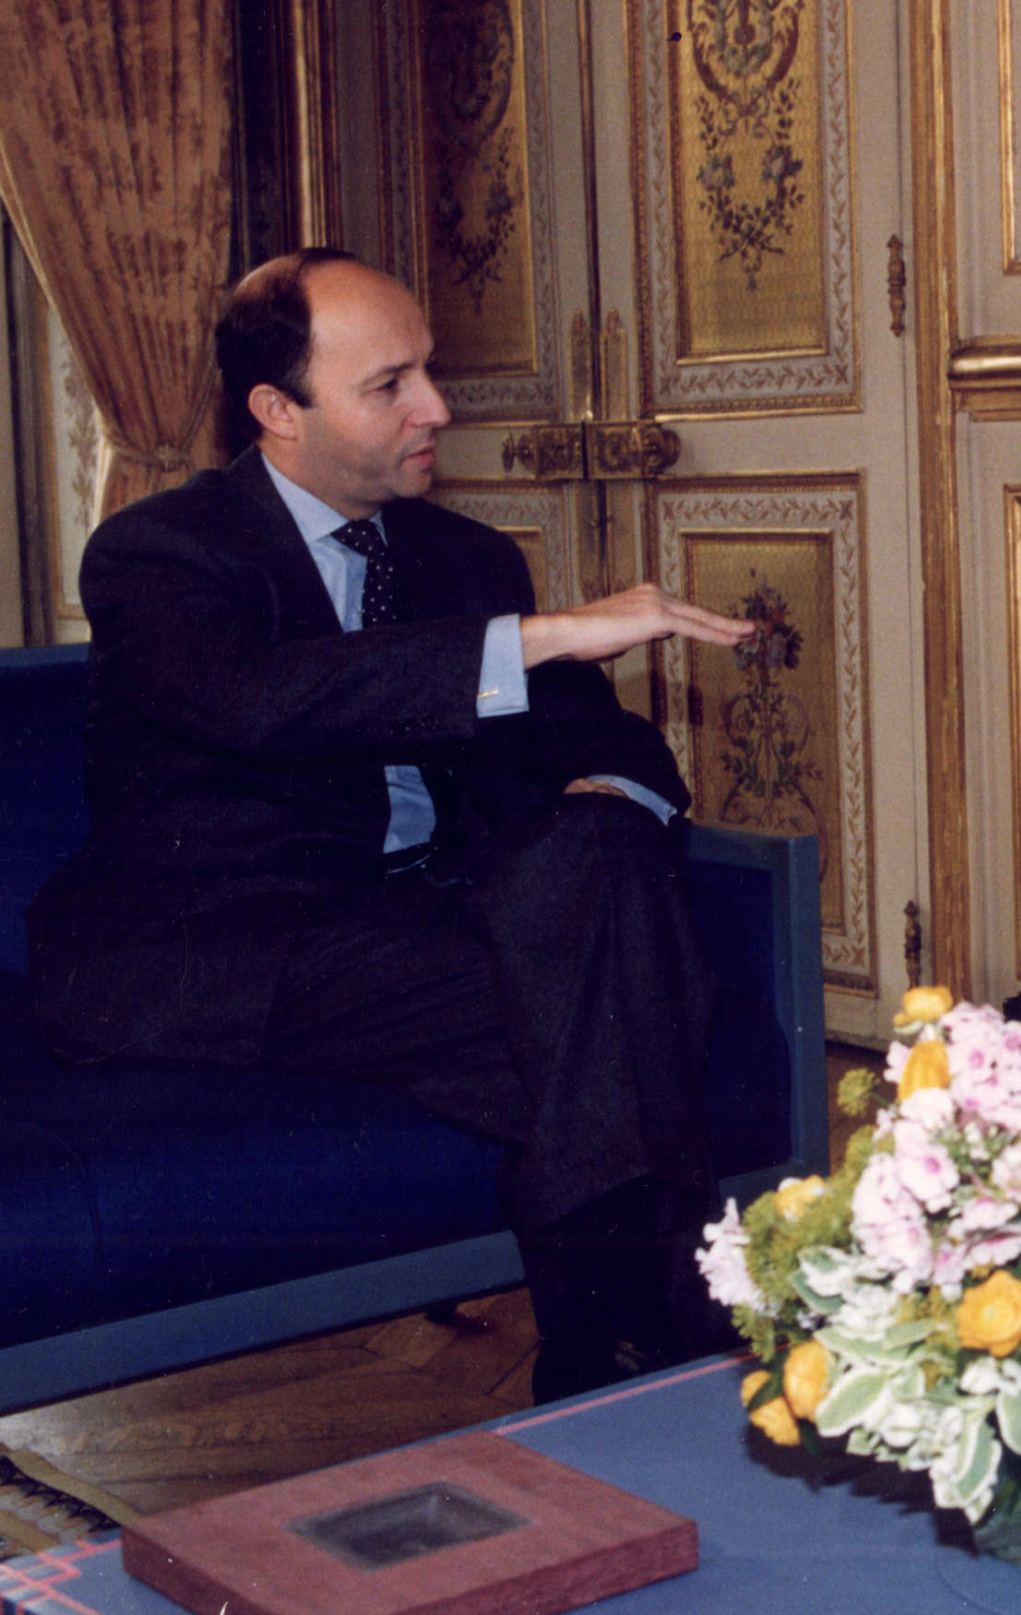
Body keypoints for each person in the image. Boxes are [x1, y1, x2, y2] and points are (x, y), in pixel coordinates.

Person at [29, 249, 760, 1400]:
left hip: (415, 922)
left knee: (605, 870)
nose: (438, 409)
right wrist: (544, 635)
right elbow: (265, 701)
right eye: (390, 385)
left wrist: (610, 809)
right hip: (217, 937)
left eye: (429, 370)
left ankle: (607, 1363)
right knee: (608, 1008)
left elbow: (596, 742)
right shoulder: (158, 552)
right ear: (277, 410)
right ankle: (645, 1338)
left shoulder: (462, 555)